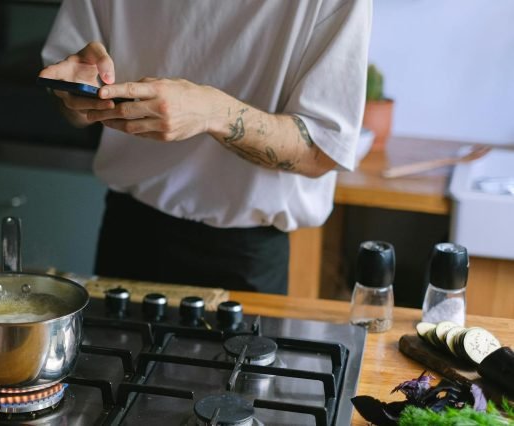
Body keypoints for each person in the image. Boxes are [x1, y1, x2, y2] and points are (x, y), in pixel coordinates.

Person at [39, 0, 372, 294]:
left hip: (243, 257)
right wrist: (77, 93)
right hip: (127, 231)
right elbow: (70, 104)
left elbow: (320, 152)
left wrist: (212, 112)